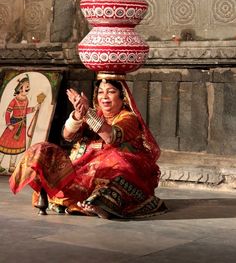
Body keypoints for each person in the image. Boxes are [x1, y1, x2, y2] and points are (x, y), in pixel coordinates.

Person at [9, 77, 166, 218]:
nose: (104, 97)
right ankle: (59, 195)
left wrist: (88, 114)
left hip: (116, 169)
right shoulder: (94, 113)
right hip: (84, 167)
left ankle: (102, 204)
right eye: (100, 92)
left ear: (122, 97)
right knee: (42, 148)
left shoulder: (128, 118)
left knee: (118, 163)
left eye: (111, 92)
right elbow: (67, 135)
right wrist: (78, 114)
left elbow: (111, 137)